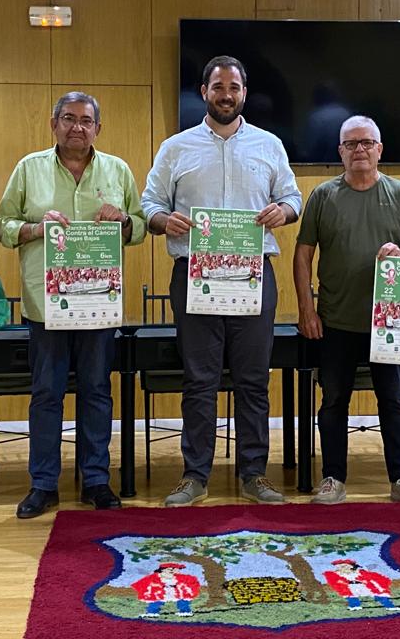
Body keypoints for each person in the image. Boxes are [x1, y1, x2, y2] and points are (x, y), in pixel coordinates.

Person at [142, 55, 302, 507]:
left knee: (253, 380)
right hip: (195, 276)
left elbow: (293, 198)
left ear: (244, 93)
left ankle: (254, 474)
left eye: (234, 87)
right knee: (199, 380)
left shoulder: (269, 145)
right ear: (204, 92)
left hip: (253, 276)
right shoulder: (176, 148)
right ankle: (195, 475)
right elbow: (150, 203)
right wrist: (163, 221)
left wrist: (283, 211)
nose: (226, 95)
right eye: (218, 87)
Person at [0, 91, 146, 517]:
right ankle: (43, 484)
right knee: (47, 394)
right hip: (46, 306)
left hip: (99, 305)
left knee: (97, 391)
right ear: (53, 124)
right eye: (68, 118)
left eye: (85, 120)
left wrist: (123, 220)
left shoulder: (117, 170)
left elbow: (139, 228)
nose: (77, 126)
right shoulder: (29, 168)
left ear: (98, 128)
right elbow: (3, 224)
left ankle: (95, 480)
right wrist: (35, 228)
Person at [294, 115, 400, 509]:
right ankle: (333, 478)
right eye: (351, 144)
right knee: (333, 401)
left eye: (367, 142)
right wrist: (306, 308)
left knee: (394, 401)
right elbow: (303, 255)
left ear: (379, 149)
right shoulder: (323, 196)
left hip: (389, 322)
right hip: (335, 320)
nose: (359, 150)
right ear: (340, 151)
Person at [322, 559, 400, 612]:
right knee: (350, 596)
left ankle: (389, 606)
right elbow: (336, 580)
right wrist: (343, 582)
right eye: (340, 567)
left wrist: (363, 578)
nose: (342, 568)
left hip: (362, 586)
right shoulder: (337, 574)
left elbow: (367, 573)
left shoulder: (358, 572)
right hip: (350, 587)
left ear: (351, 567)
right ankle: (354, 606)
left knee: (378, 594)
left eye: (345, 566)